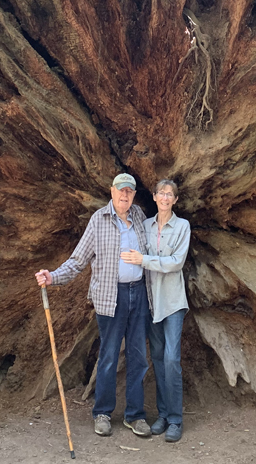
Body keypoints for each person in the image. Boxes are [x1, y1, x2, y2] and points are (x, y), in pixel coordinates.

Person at [35, 173, 153, 438]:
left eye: (129, 191)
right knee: (109, 356)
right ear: (112, 192)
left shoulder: (139, 217)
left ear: (134, 195)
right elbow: (78, 260)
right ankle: (102, 413)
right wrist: (53, 276)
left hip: (138, 293)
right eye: (121, 190)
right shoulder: (99, 220)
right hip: (111, 296)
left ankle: (135, 416)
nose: (125, 195)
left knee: (138, 357)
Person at [121, 178, 190, 443]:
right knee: (158, 359)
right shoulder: (146, 225)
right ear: (154, 196)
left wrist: (144, 260)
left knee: (172, 359)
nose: (165, 198)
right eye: (161, 193)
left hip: (172, 303)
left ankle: (175, 419)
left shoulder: (182, 226)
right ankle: (162, 415)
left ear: (175, 200)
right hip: (151, 303)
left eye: (170, 194)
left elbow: (176, 262)